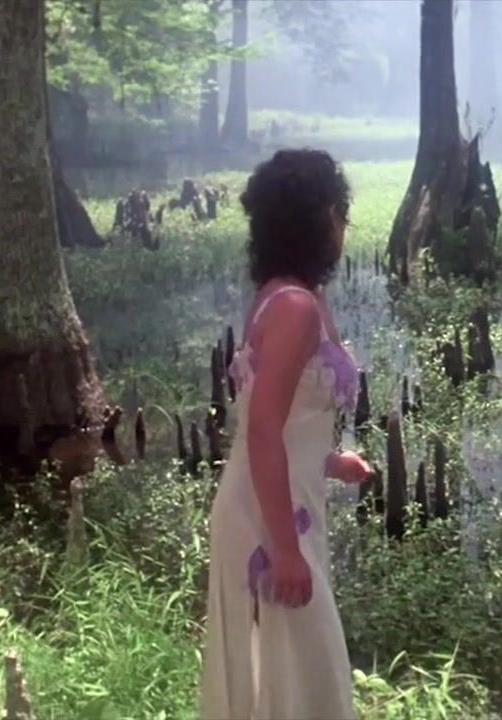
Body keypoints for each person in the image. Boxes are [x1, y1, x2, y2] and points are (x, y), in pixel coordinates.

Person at [200, 148, 371, 719]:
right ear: (320, 220)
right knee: (302, 664)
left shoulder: (289, 296)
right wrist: (285, 550)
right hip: (267, 517)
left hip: (280, 500)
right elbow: (262, 430)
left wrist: (330, 461)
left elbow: (284, 420)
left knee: (290, 667)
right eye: (339, 213)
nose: (343, 226)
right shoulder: (295, 307)